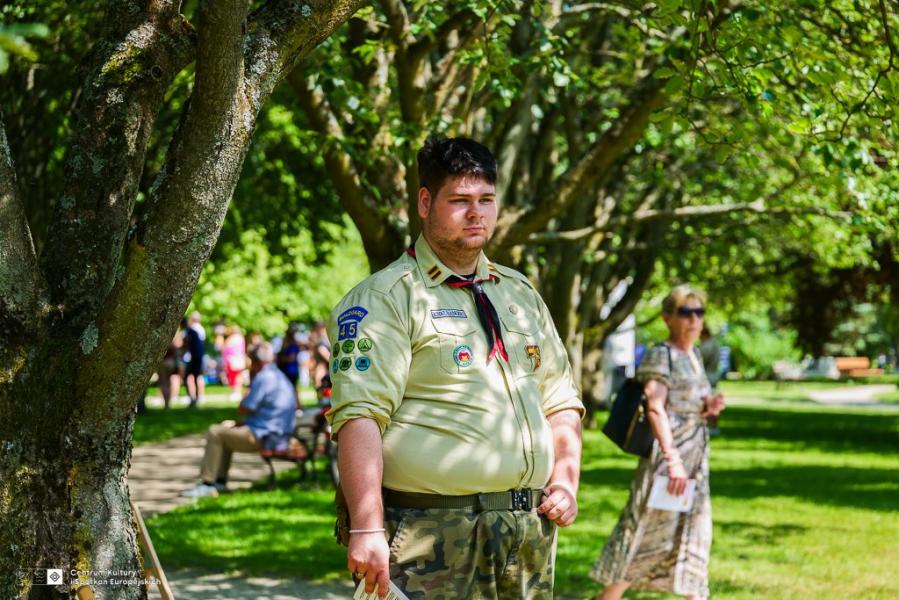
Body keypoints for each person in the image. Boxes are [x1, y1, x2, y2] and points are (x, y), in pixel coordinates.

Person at [327, 137, 584, 599]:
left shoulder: (519, 293)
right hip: (431, 533)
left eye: (486, 200)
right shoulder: (387, 298)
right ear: (425, 203)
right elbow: (359, 415)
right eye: (460, 201)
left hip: (526, 530)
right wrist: (367, 529)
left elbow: (560, 399)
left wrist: (565, 479)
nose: (476, 213)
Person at [591, 285, 725, 600]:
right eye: (685, 312)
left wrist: (710, 406)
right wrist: (673, 459)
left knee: (694, 532)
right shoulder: (660, 354)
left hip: (695, 461)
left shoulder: (692, 355)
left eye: (699, 312)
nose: (694, 320)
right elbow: (655, 406)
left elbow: (690, 403)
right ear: (668, 318)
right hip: (669, 462)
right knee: (644, 531)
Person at [181, 342, 297, 498]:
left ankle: (207, 483)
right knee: (226, 431)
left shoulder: (263, 377)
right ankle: (220, 481)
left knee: (215, 432)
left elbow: (244, 408)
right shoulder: (279, 375)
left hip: (265, 437)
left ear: (256, 362)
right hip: (280, 434)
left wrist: (247, 387)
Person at [182, 312, 206, 408]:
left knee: (191, 377)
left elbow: (186, 345)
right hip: (197, 357)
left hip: (195, 358)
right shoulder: (193, 331)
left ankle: (194, 399)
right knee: (194, 378)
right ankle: (194, 398)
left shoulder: (190, 332)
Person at [221, 325, 248, 400]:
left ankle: (237, 392)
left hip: (235, 360)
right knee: (233, 376)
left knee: (236, 376)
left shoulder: (236, 338)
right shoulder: (236, 337)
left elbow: (225, 347)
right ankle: (235, 392)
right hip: (232, 360)